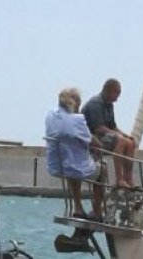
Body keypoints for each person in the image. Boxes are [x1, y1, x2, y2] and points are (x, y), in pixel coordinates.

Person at [45, 87, 105, 220]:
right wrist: (99, 147)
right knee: (102, 171)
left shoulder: (51, 116)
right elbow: (92, 140)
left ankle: (77, 207)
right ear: (75, 102)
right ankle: (97, 210)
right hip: (74, 167)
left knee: (72, 167)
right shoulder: (77, 120)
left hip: (57, 165)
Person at [82, 78, 139, 188]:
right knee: (121, 141)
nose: (118, 96)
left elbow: (113, 127)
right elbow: (98, 128)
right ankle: (119, 179)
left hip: (104, 138)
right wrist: (118, 136)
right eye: (117, 93)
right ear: (109, 91)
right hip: (92, 141)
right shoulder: (96, 103)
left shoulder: (109, 105)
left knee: (130, 143)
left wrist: (126, 135)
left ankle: (128, 179)